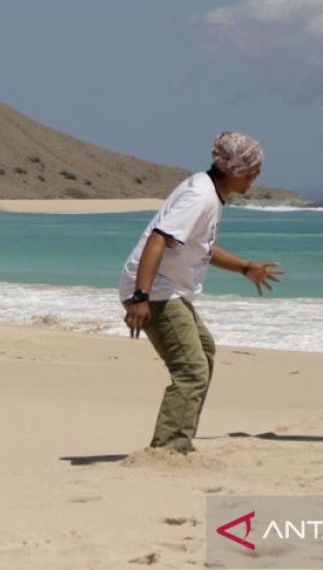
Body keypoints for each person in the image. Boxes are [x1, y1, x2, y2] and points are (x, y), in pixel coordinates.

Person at [119, 132, 283, 454]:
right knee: (191, 368)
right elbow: (157, 239)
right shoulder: (201, 197)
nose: (256, 176)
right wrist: (140, 297)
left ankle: (179, 440)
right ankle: (168, 448)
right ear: (236, 171)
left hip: (166, 289)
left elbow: (200, 246)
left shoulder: (209, 192)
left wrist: (245, 268)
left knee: (204, 352)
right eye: (253, 170)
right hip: (156, 290)